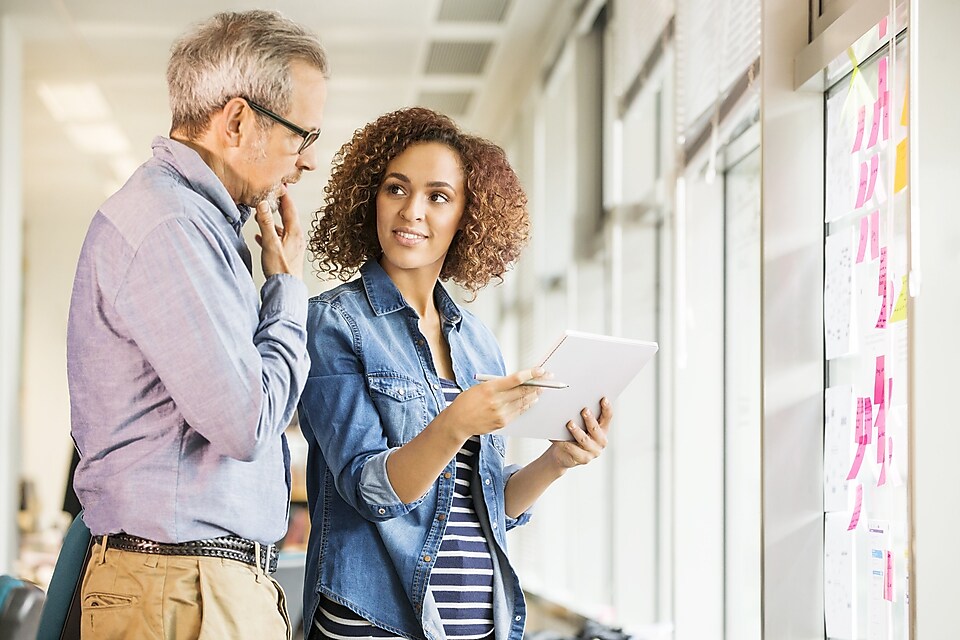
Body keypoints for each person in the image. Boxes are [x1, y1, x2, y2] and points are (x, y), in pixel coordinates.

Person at [298, 107, 613, 640]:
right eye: (396, 189)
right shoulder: (332, 324)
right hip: (376, 622)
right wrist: (456, 422)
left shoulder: (477, 342)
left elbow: (488, 503)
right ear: (369, 198)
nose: (411, 211)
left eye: (438, 196)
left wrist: (556, 461)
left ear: (468, 216)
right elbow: (371, 492)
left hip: (476, 620)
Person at [66, 10, 328, 639]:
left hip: (193, 588)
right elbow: (244, 423)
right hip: (181, 591)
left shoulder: (201, 229)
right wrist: (287, 289)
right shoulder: (171, 228)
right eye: (303, 136)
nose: (307, 163)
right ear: (237, 121)